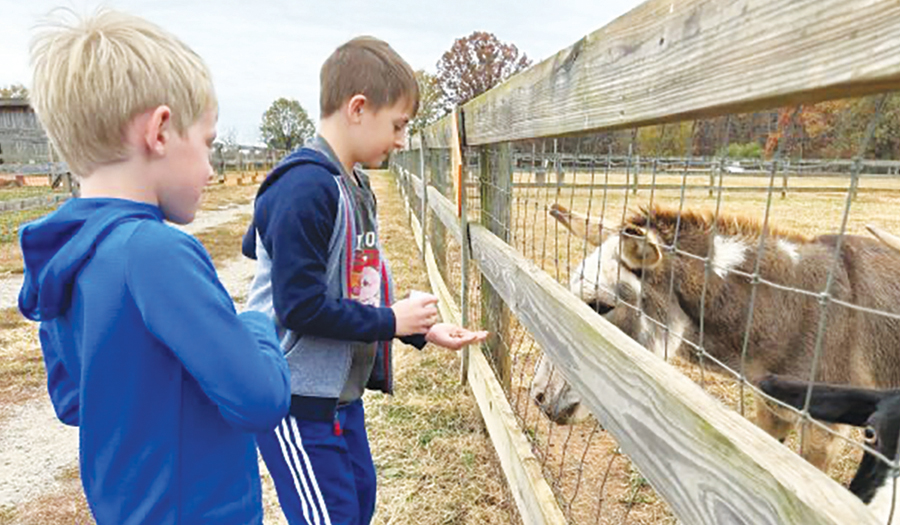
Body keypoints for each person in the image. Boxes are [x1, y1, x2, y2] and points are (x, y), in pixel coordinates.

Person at [17, 8, 290, 524]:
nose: (211, 169)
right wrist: (255, 325)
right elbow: (260, 398)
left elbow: (74, 402)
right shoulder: (154, 251)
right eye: (208, 144)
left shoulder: (65, 254)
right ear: (161, 131)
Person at [241, 36, 487, 525]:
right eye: (397, 125)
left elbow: (358, 278)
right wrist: (391, 320)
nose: (400, 140)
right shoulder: (304, 187)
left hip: (338, 397)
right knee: (329, 516)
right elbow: (298, 306)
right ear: (358, 108)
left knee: (357, 502)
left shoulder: (354, 184)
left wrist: (416, 327)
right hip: (298, 400)